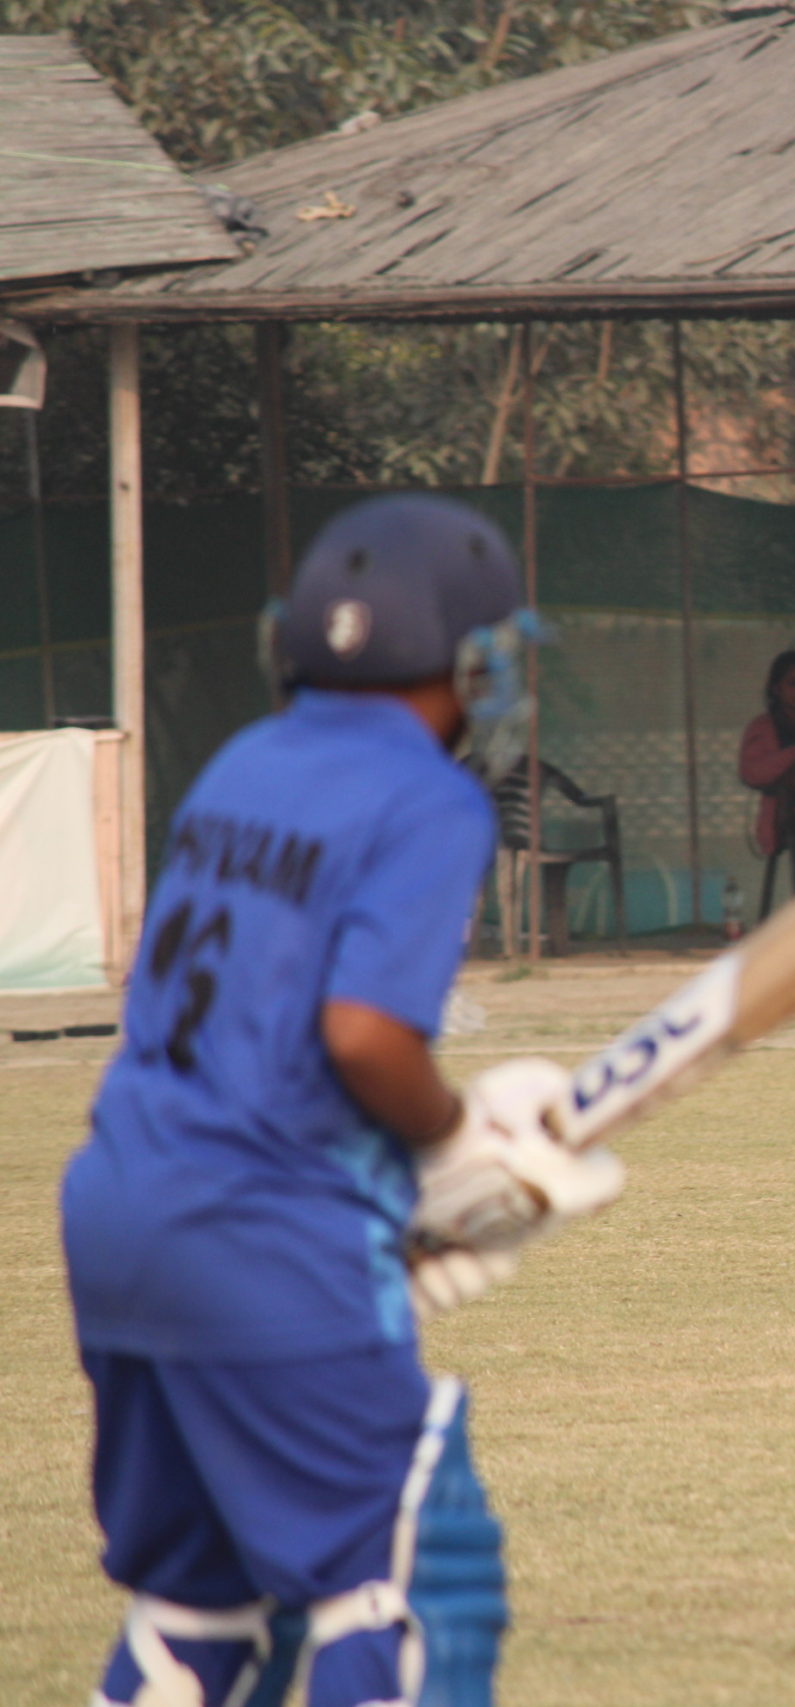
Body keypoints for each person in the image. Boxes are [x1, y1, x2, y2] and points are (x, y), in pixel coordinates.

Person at [56, 495, 623, 1707]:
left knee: (200, 1609)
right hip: (261, 1230)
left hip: (117, 1217)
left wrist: (395, 1188)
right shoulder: (430, 797)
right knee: (416, 1588)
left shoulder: (241, 766)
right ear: (475, 664)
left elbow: (249, 1037)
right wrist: (458, 1139)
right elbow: (360, 1035)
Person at [739, 649, 795, 897]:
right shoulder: (763, 727)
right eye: (793, 683)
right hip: (787, 817)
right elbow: (752, 773)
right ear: (776, 688)